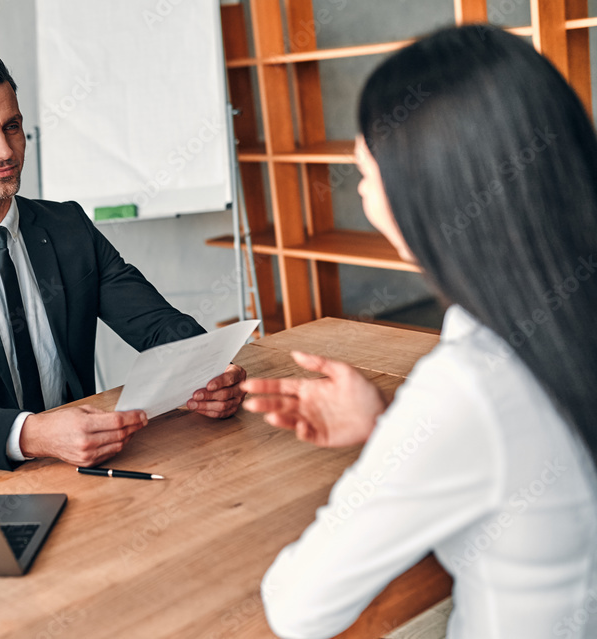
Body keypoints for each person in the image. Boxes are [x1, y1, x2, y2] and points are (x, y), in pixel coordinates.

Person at [242, 25, 597, 638]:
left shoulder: (469, 386)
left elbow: (298, 608)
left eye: (364, 172)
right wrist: (391, 430)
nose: (361, 193)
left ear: (426, 195)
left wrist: (391, 453)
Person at [0, 52, 246, 471]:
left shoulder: (68, 227)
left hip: (89, 466)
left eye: (12, 126)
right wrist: (33, 435)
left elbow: (155, 323)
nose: (4, 150)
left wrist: (207, 370)